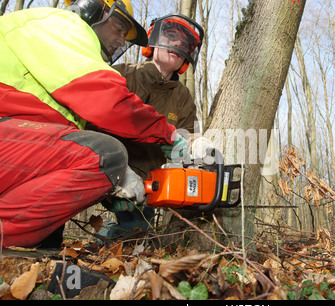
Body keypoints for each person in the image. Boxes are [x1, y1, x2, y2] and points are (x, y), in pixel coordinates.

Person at [0, 0, 188, 248]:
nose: (122, 40)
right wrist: (168, 135)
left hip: (17, 140)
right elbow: (109, 101)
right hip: (9, 138)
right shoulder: (63, 26)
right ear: (91, 9)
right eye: (119, 28)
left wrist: (119, 178)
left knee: (49, 240)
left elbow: (62, 139)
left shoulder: (182, 97)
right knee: (107, 155)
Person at [96, 14, 205, 240]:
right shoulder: (122, 74)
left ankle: (109, 234)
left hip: (147, 187)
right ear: (153, 41)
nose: (177, 44)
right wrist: (117, 172)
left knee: (135, 236)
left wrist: (191, 147)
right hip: (102, 169)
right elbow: (88, 120)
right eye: (171, 36)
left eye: (184, 43)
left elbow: (190, 137)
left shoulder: (182, 98)